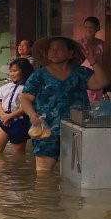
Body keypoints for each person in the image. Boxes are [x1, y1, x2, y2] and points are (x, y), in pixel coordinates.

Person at [21, 36, 109, 172]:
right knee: (44, 173)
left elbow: (102, 82)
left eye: (59, 48)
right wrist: (32, 114)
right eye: (51, 49)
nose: (54, 51)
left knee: (77, 170)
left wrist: (93, 61)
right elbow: (25, 99)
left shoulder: (80, 73)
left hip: (77, 129)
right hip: (47, 130)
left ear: (71, 53)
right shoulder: (39, 75)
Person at [0, 58, 33, 155]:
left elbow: (25, 107)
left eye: (15, 71)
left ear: (24, 72)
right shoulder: (4, 87)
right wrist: (2, 115)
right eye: (10, 71)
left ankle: (16, 170)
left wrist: (10, 116)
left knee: (19, 153)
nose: (12, 74)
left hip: (20, 122)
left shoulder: (28, 88)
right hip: (3, 120)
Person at [80, 16, 106, 105]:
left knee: (97, 103)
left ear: (97, 28)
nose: (88, 29)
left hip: (99, 74)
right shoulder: (80, 43)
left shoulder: (102, 44)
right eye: (86, 27)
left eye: (90, 27)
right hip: (85, 75)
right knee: (85, 101)